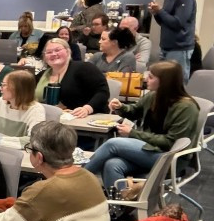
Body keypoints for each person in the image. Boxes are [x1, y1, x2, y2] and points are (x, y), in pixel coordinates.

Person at [85, 61, 200, 189]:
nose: (145, 79)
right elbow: (134, 111)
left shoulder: (186, 108)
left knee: (113, 144)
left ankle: (78, 179)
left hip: (170, 157)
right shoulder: (153, 96)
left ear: (164, 82)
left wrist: (133, 133)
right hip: (150, 149)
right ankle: (120, 206)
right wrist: (121, 107)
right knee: (112, 164)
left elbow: (171, 142)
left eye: (151, 77)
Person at [34, 37, 109, 118]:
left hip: (83, 119)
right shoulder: (41, 75)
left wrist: (87, 109)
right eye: (49, 52)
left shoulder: (84, 68)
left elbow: (102, 92)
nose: (53, 54)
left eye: (57, 50)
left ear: (67, 51)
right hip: (48, 118)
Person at [149, 0, 197, 82]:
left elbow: (178, 23)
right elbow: (165, 23)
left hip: (179, 48)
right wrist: (156, 13)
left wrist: (160, 10)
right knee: (162, 83)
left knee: (176, 83)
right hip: (166, 47)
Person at [0, 69, 45, 148]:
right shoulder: (1, 102)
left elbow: (34, 140)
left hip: (16, 154)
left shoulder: (36, 110)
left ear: (18, 88)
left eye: (4, 85)